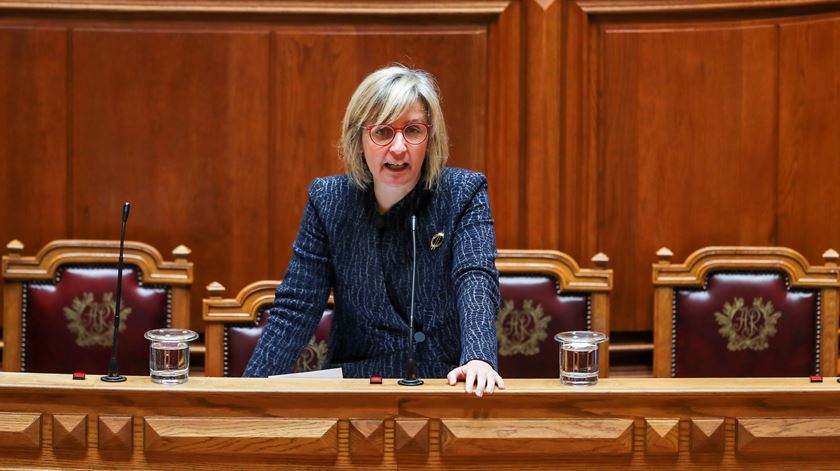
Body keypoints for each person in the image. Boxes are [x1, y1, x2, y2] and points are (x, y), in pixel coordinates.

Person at [244, 64, 504, 397]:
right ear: (359, 138)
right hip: (359, 386)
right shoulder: (329, 201)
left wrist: (479, 357)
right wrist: (246, 392)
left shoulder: (462, 192)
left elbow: (476, 278)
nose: (398, 147)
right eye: (382, 132)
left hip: (449, 382)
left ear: (430, 137)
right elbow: (297, 306)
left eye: (412, 130)